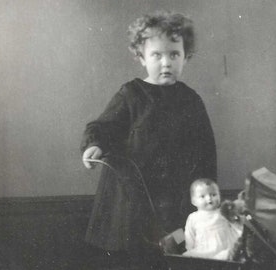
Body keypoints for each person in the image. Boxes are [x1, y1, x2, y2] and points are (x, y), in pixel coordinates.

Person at [80, 11, 217, 269]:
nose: (166, 62)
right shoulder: (132, 94)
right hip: (129, 201)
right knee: (132, 259)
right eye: (157, 55)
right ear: (141, 58)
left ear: (186, 57)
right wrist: (94, 144)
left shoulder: (191, 101)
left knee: (167, 257)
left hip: (173, 201)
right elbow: (102, 127)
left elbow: (206, 153)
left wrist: (204, 200)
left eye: (174, 54)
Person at [183, 179, 243, 260]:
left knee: (232, 255)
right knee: (186, 256)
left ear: (219, 196)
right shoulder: (193, 217)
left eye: (213, 195)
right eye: (202, 196)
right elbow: (189, 235)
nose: (209, 198)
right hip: (202, 253)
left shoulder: (223, 212)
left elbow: (237, 229)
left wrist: (234, 219)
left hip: (222, 252)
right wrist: (190, 248)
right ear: (194, 201)